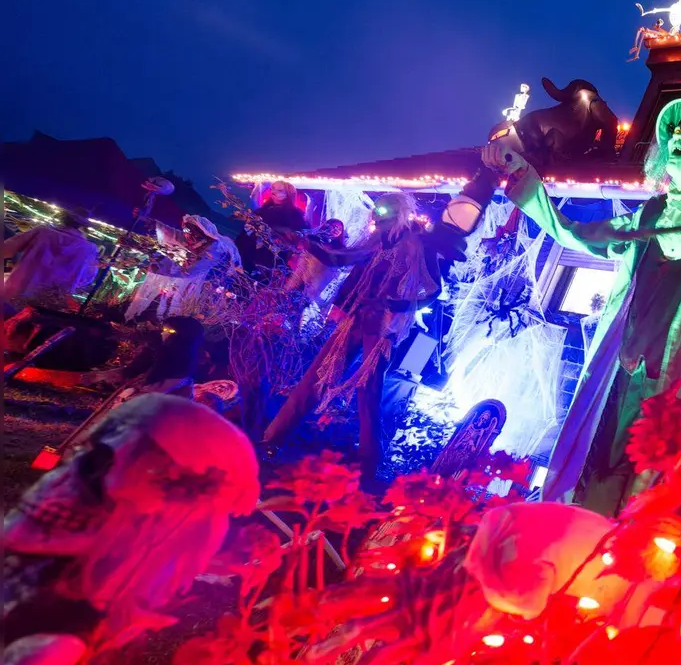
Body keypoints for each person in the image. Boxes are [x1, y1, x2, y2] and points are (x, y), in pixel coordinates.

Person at [481, 98, 681, 516]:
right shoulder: (651, 213)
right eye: (672, 133)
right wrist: (521, 173)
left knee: (650, 487)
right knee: (595, 467)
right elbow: (577, 234)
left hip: (674, 381)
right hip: (620, 368)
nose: (675, 138)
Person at [1, 394, 260, 665]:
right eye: (84, 458)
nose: (61, 481)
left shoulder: (53, 644)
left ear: (152, 528)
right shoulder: (27, 583)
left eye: (97, 474)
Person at [262, 193, 468, 489]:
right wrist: (304, 243)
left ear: (398, 214)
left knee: (368, 390)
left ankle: (368, 464)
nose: (377, 219)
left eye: (383, 213)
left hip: (382, 327)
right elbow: (341, 258)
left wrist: (397, 304)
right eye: (376, 214)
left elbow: (433, 289)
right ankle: (273, 439)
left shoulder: (416, 243)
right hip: (356, 319)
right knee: (316, 377)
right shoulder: (376, 242)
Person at [125, 214, 240, 322]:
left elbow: (188, 273)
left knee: (184, 307)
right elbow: (175, 235)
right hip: (198, 279)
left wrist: (155, 256)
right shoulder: (198, 239)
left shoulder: (214, 250)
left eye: (188, 231)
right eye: (185, 230)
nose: (186, 234)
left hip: (211, 285)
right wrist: (150, 223)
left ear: (199, 232)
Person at [0, 211, 100, 313]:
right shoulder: (89, 249)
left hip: (16, 294)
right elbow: (87, 278)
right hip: (51, 305)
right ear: (84, 227)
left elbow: (5, 249)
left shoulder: (42, 233)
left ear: (63, 219)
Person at [237, 180, 308, 277]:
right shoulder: (263, 210)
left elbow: (297, 235)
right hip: (251, 251)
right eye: (273, 189)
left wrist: (280, 233)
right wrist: (248, 229)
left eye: (280, 190)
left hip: (274, 254)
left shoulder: (295, 214)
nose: (273, 192)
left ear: (288, 194)